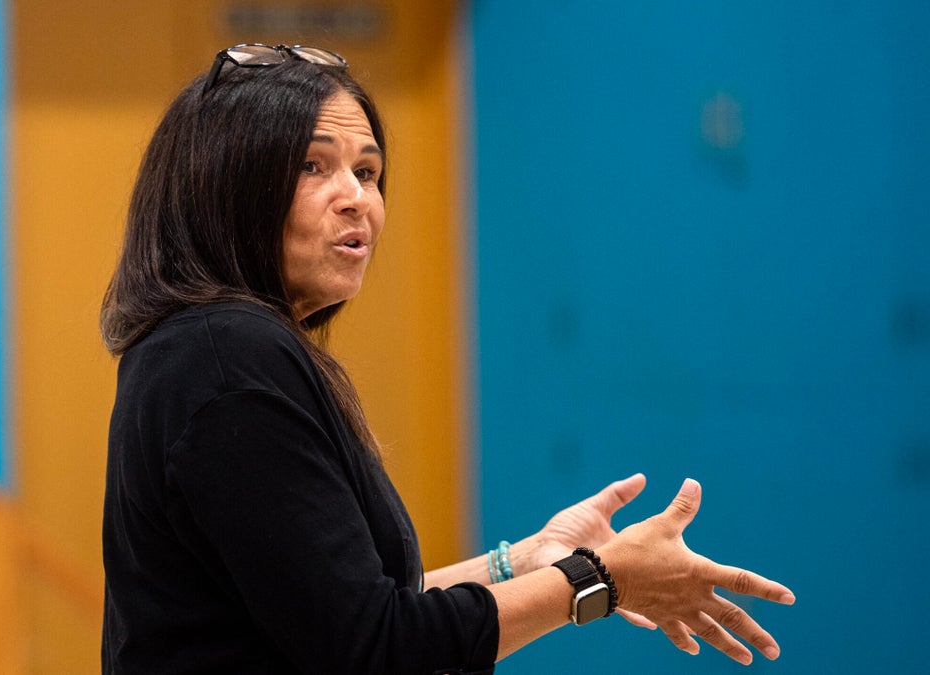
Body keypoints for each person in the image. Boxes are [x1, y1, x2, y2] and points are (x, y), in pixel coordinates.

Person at [99, 44, 795, 674]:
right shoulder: (227, 358)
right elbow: (376, 647)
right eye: (313, 166)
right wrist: (599, 579)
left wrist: (520, 561)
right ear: (225, 184)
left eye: (368, 172)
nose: (358, 199)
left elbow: (338, 612)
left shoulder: (199, 347)